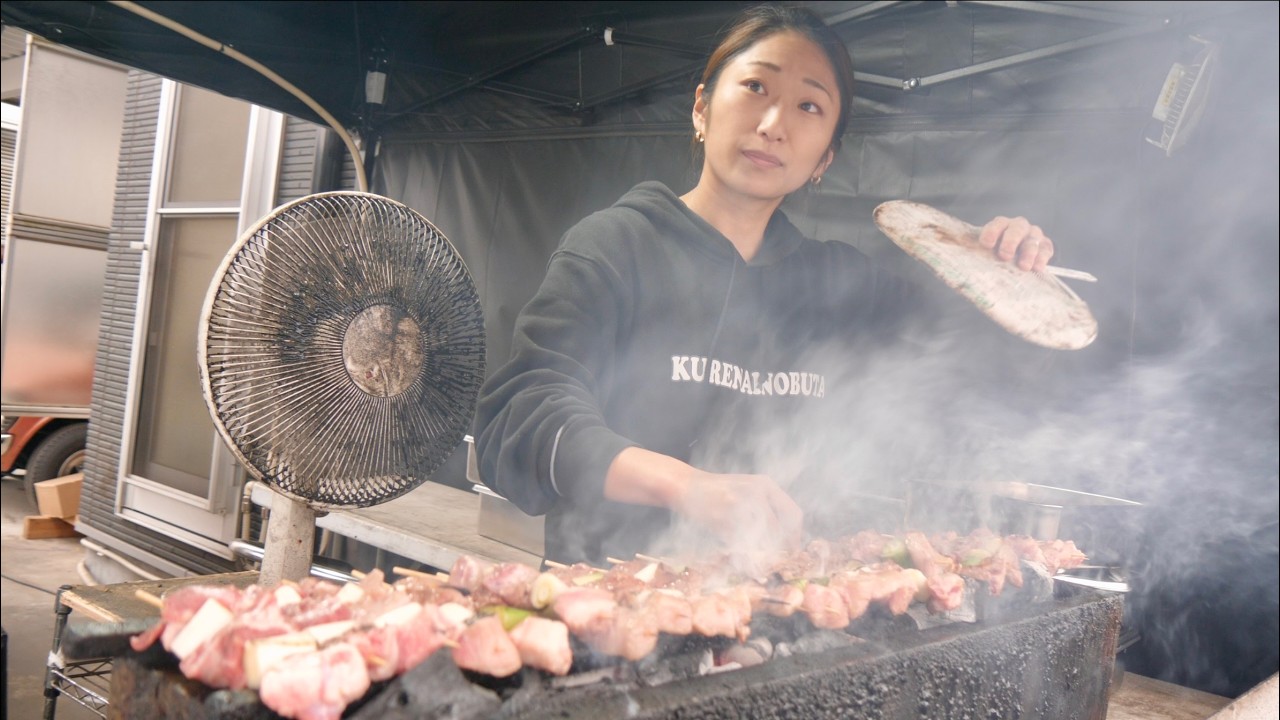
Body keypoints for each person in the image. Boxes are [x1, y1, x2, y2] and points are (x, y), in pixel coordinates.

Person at [473, 4, 1055, 566]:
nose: (774, 125)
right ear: (701, 108)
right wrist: (687, 487)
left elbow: (971, 381)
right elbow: (520, 416)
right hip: (613, 616)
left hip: (781, 634)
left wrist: (1006, 276)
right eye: (756, 87)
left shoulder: (842, 285)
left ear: (825, 157)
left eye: (808, 105)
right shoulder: (616, 246)